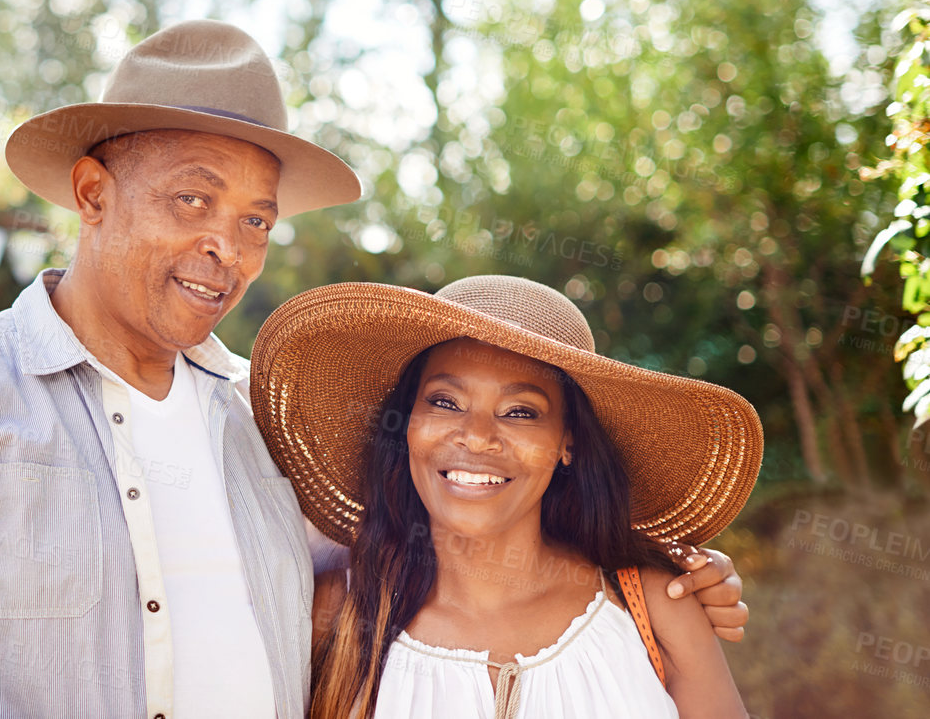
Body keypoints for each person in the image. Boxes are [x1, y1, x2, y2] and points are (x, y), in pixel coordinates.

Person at [0, 20, 749, 719]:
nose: (226, 247)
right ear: (92, 193)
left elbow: (446, 547)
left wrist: (669, 586)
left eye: (255, 218)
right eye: (191, 199)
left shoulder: (271, 423)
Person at [250, 275, 761, 719]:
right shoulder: (332, 613)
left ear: (568, 442)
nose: (476, 437)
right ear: (407, 425)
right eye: (445, 402)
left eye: (521, 411)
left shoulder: (654, 606)